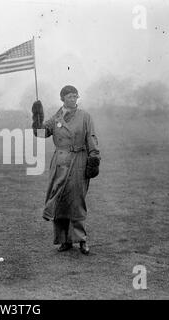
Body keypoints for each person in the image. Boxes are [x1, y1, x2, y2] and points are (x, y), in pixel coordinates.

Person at [32, 85, 100, 255]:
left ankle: (81, 240)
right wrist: (37, 116)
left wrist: (94, 157)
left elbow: (91, 137)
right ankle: (64, 240)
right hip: (60, 162)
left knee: (77, 200)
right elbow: (41, 134)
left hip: (79, 161)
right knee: (60, 199)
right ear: (62, 98)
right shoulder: (56, 117)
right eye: (69, 96)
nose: (73, 99)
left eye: (75, 96)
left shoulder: (85, 116)